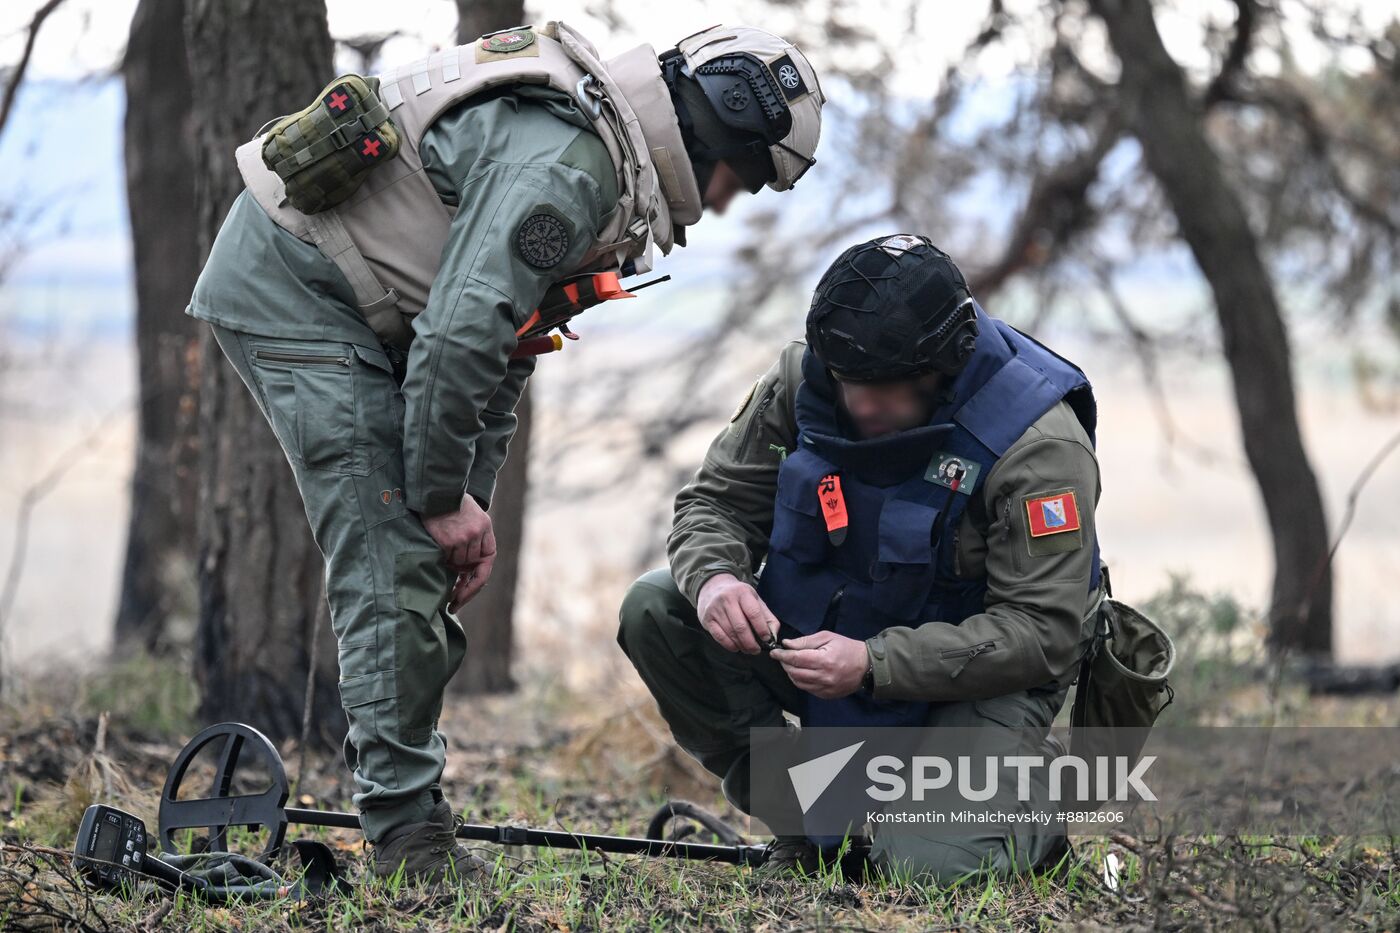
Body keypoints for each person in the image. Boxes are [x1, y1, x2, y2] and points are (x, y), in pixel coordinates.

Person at [185, 21, 824, 885]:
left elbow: (509, 344)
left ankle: (406, 807)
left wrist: (467, 503)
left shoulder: (606, 158)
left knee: (426, 550)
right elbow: (456, 337)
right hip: (300, 286)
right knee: (393, 555)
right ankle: (409, 840)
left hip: (376, 303)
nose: (724, 203)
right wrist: (440, 499)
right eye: (740, 178)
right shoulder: (573, 166)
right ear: (717, 131)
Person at [617, 234, 1103, 882]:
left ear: (946, 361)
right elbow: (716, 502)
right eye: (849, 384)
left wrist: (874, 664)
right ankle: (814, 824)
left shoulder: (1038, 445)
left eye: (886, 389)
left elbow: (1043, 632)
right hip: (830, 639)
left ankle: (1029, 806)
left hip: (977, 672)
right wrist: (716, 579)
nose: (860, 405)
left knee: (921, 869)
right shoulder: (809, 378)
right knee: (658, 609)